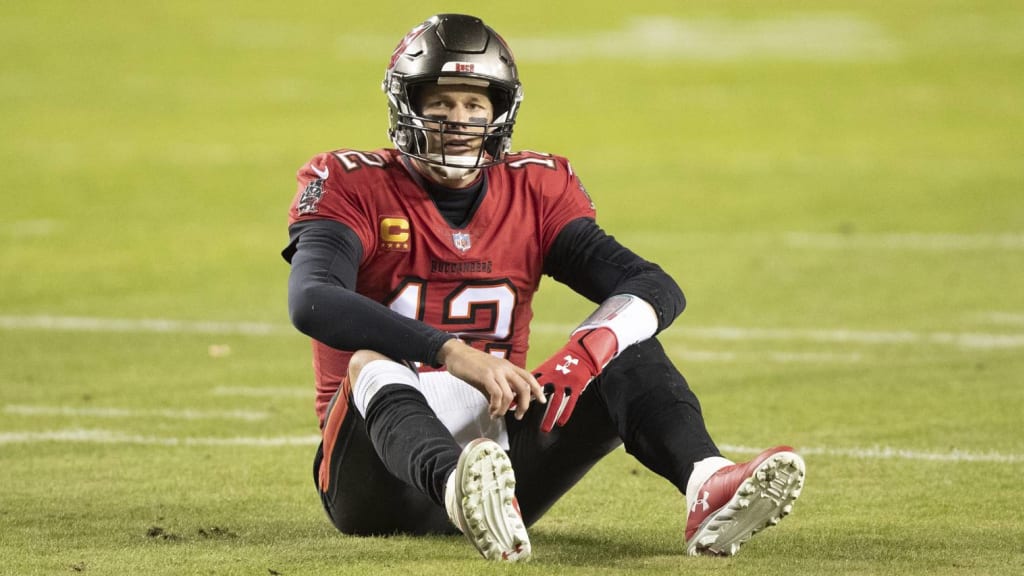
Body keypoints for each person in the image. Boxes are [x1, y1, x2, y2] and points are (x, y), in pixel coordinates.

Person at [283, 13, 805, 562]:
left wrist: (587, 354)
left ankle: (707, 482)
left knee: (622, 342)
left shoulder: (534, 188)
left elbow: (651, 284)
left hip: (504, 471)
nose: (458, 120)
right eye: (440, 103)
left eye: (474, 105)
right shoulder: (350, 182)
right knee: (371, 361)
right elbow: (312, 298)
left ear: (500, 112)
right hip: (377, 476)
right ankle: (456, 487)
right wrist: (449, 352)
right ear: (406, 105)